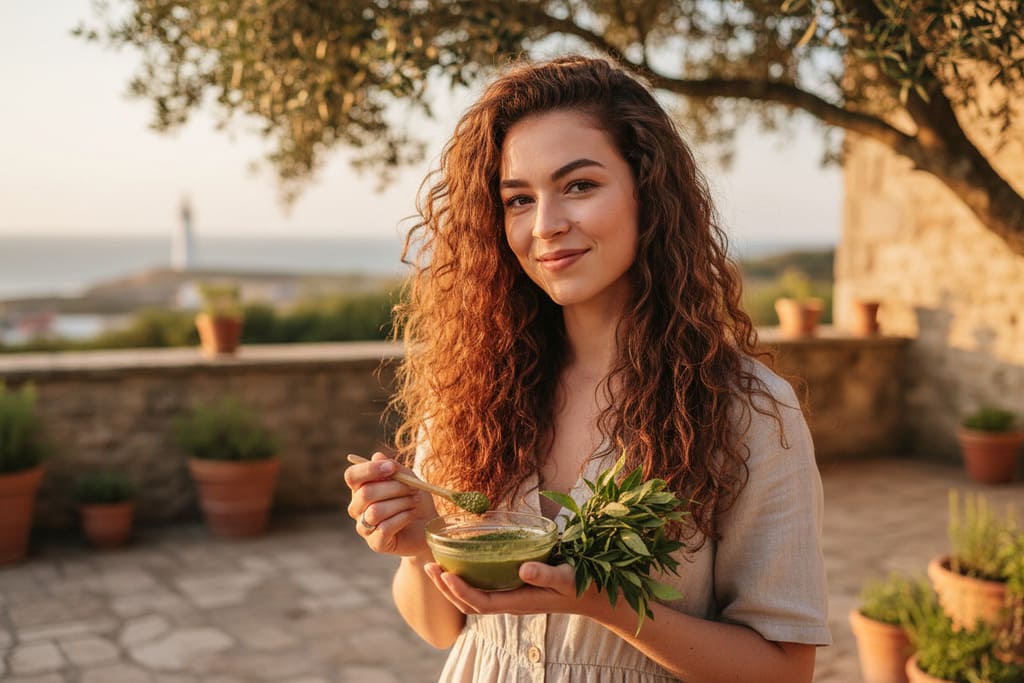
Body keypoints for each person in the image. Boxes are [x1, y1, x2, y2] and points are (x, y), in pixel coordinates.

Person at [344, 55, 831, 682]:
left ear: (646, 190)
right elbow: (442, 630)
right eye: (519, 199)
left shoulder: (745, 408)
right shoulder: (474, 391)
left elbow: (781, 671)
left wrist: (602, 605)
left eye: (579, 186)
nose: (545, 226)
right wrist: (419, 547)